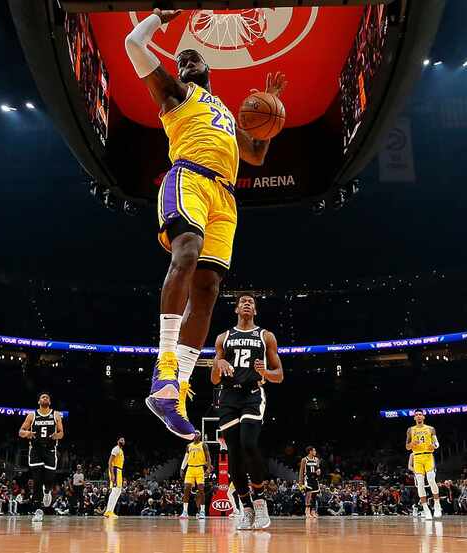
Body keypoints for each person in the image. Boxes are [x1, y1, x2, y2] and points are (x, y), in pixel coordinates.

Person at [125, 9, 287, 440]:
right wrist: (158, 17)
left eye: (195, 60)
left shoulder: (229, 114)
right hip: (190, 177)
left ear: (209, 68)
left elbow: (255, 155)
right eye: (183, 62)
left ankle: (173, 392)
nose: (188, 63)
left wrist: (271, 117)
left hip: (226, 197)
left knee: (209, 290)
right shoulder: (175, 95)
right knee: (187, 252)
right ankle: (163, 366)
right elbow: (133, 45)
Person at [212, 295, 284, 530]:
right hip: (228, 396)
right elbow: (214, 378)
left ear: (255, 310)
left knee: (248, 444)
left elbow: (279, 376)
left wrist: (266, 372)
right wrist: (218, 364)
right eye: (242, 301)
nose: (246, 303)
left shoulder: (266, 336)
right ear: (236, 309)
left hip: (252, 394)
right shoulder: (223, 337)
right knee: (233, 452)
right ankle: (247, 508)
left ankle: (261, 503)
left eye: (251, 302)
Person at [18, 392, 64, 523]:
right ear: (39, 401)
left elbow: (61, 433)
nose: (45, 398)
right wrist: (27, 433)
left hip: (50, 450)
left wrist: (57, 436)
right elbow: (20, 432)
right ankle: (38, 511)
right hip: (36, 450)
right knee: (37, 480)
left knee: (49, 477)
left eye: (47, 397)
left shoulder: (55, 415)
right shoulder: (32, 415)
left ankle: (47, 490)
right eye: (43, 397)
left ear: (50, 402)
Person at [406, 409, 441, 519]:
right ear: (414, 418)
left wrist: (434, 446)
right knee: (420, 483)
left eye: (420, 414)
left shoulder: (430, 428)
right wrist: (412, 443)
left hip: (428, 456)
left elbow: (436, 443)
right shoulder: (410, 430)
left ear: (423, 417)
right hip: (417, 457)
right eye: (416, 415)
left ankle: (437, 504)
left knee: (431, 480)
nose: (419, 416)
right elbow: (407, 447)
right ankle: (426, 509)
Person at [180, 431, 212, 519]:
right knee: (186, 489)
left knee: (201, 490)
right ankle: (185, 511)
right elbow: (186, 458)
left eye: (198, 433)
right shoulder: (189, 446)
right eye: (195, 433)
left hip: (199, 468)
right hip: (190, 468)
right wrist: (182, 468)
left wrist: (208, 469)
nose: (196, 434)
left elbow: (208, 457)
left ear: (200, 435)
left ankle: (202, 511)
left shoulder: (203, 445)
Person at [104, 437, 126, 518]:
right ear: (117, 441)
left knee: (118, 491)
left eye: (123, 440)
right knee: (115, 490)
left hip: (119, 471)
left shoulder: (121, 451)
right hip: (115, 470)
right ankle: (108, 511)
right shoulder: (116, 449)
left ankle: (111, 511)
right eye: (121, 439)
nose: (122, 441)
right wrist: (112, 474)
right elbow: (109, 462)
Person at [298, 446, 321, 518]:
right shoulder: (304, 460)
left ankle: (313, 511)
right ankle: (307, 510)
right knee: (309, 493)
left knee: (314, 495)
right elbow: (301, 471)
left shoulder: (316, 459)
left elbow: (318, 469)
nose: (315, 452)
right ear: (310, 451)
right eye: (314, 451)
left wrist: (319, 472)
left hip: (314, 479)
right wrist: (300, 483)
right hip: (307, 479)